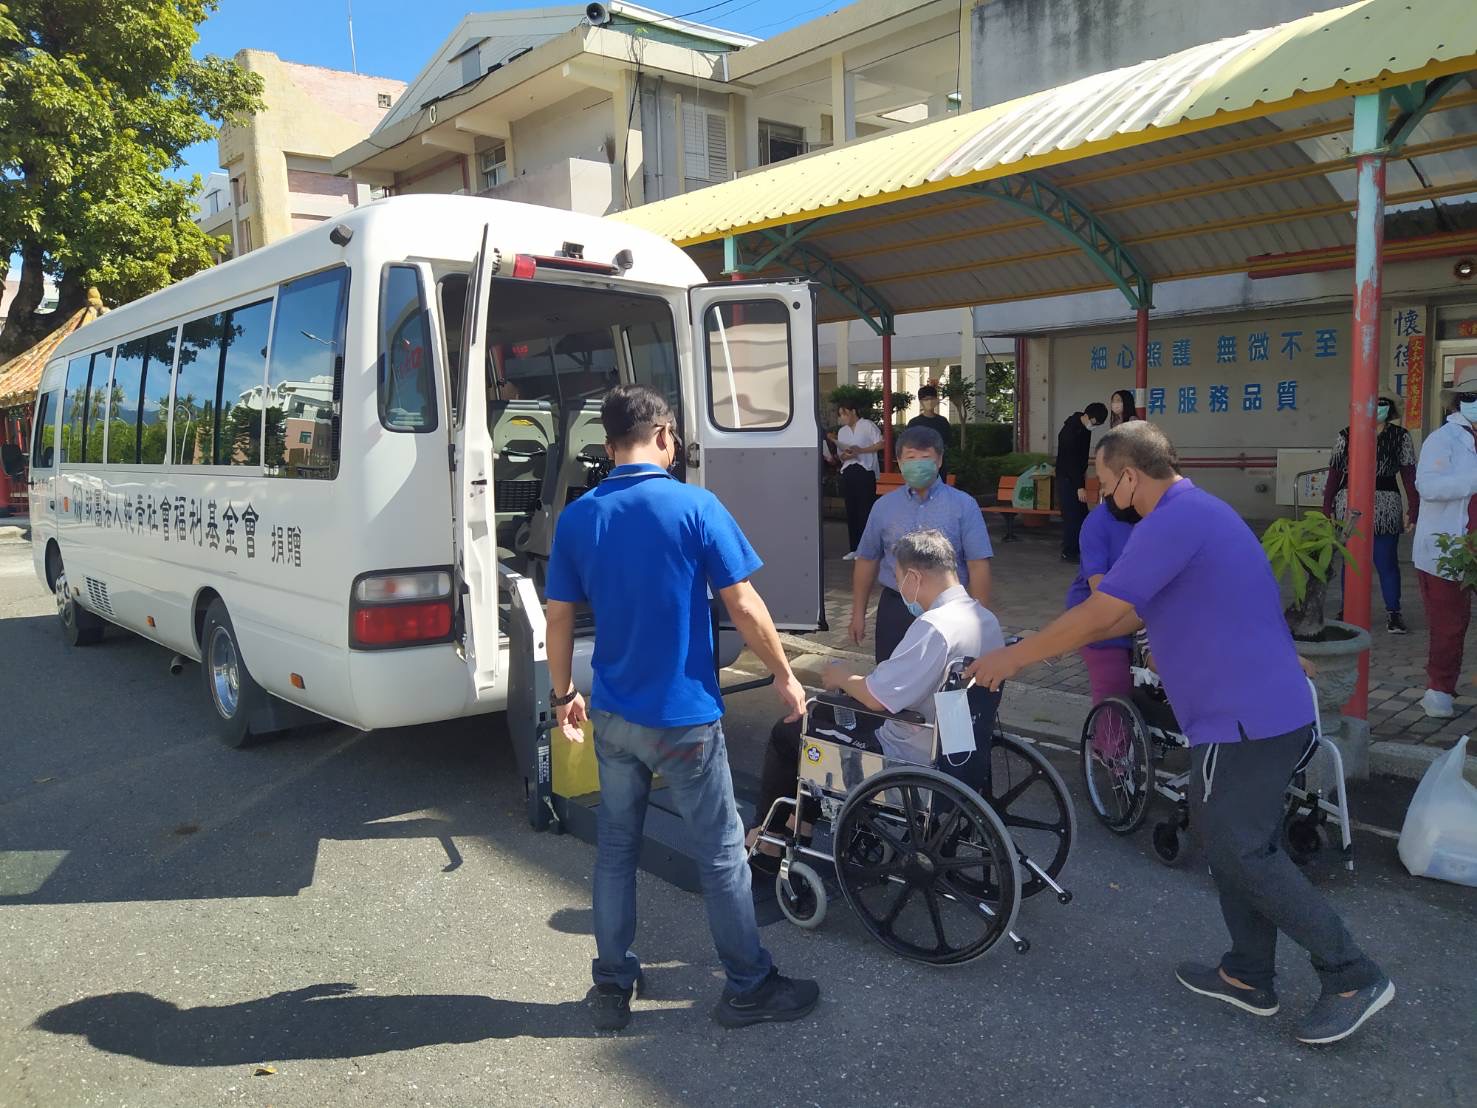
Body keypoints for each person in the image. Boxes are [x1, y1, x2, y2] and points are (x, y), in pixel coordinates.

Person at [967, 421, 1392, 1046]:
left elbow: (1109, 611)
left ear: (1129, 475)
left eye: (1108, 481)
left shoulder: (1173, 518)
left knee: (1241, 848)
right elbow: (1141, 607)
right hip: (1257, 710)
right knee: (1235, 844)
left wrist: (1015, 656)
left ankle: (1351, 974)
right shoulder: (1197, 513)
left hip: (1241, 719)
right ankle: (1248, 974)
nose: (1107, 492)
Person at [544, 384, 819, 1032]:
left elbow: (558, 617)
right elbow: (743, 604)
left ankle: (611, 988)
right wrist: (783, 674)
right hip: (684, 718)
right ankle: (747, 984)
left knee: (615, 851)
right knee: (721, 854)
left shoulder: (580, 516)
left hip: (610, 715)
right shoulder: (696, 506)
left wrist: (563, 695)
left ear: (608, 447)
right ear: (665, 437)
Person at [756, 530, 1005, 833]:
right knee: (824, 716)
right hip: (959, 744)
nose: (900, 587)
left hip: (908, 753)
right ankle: (801, 821)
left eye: (899, 577)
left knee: (791, 730)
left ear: (913, 576)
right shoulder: (984, 619)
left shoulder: (935, 627)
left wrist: (843, 677)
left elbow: (877, 698)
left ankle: (769, 836)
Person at [848, 426, 993, 663]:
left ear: (939, 461)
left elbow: (978, 564)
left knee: (945, 681)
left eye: (925, 458)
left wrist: (980, 620)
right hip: (896, 608)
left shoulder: (963, 505)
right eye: (911, 458)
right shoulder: (884, 507)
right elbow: (867, 560)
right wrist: (858, 614)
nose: (918, 464)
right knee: (891, 680)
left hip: (949, 609)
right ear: (899, 461)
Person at [1322, 395, 1418, 634]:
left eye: (1383, 404)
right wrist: (1327, 506)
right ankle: (1348, 608)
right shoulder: (1346, 434)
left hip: (1386, 504)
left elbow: (1408, 473)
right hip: (1350, 502)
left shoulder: (1401, 436)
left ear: (1392, 408)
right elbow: (1334, 472)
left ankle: (1393, 613)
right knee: (1350, 561)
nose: (1377, 408)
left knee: (1386, 562)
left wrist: (1414, 508)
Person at [1413, 371, 1477, 719]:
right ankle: (1439, 690)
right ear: (1457, 403)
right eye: (1470, 397)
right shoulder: (1442, 440)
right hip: (1450, 548)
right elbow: (1429, 487)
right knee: (1450, 624)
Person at [1065, 500, 1136, 713]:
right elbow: (1101, 593)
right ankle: (1108, 745)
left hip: (1141, 614)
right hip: (1102, 618)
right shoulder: (1099, 521)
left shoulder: (1162, 516)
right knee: (1114, 687)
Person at [1056, 402, 1109, 563]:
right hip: (1068, 479)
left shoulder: (1083, 428)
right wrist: (1079, 486)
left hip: (1076, 477)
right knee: (1073, 516)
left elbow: (1080, 460)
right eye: (1094, 423)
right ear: (1087, 416)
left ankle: (1077, 547)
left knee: (1082, 515)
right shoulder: (1070, 431)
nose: (1094, 427)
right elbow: (1071, 462)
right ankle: (1069, 551)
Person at [836, 400, 883, 560]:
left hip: (865, 470)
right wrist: (846, 455)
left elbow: (881, 444)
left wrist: (861, 450)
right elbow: (840, 455)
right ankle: (854, 547)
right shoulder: (842, 431)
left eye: (845, 413)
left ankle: (867, 549)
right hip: (848, 470)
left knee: (865, 510)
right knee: (852, 510)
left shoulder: (867, 425)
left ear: (853, 411)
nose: (843, 417)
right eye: (840, 415)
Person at [908, 384, 952, 480]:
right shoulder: (914, 423)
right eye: (926, 399)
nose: (929, 402)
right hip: (920, 467)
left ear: (936, 400)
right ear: (920, 401)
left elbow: (948, 442)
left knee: (938, 492)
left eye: (932, 398)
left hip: (939, 466)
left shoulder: (943, 422)